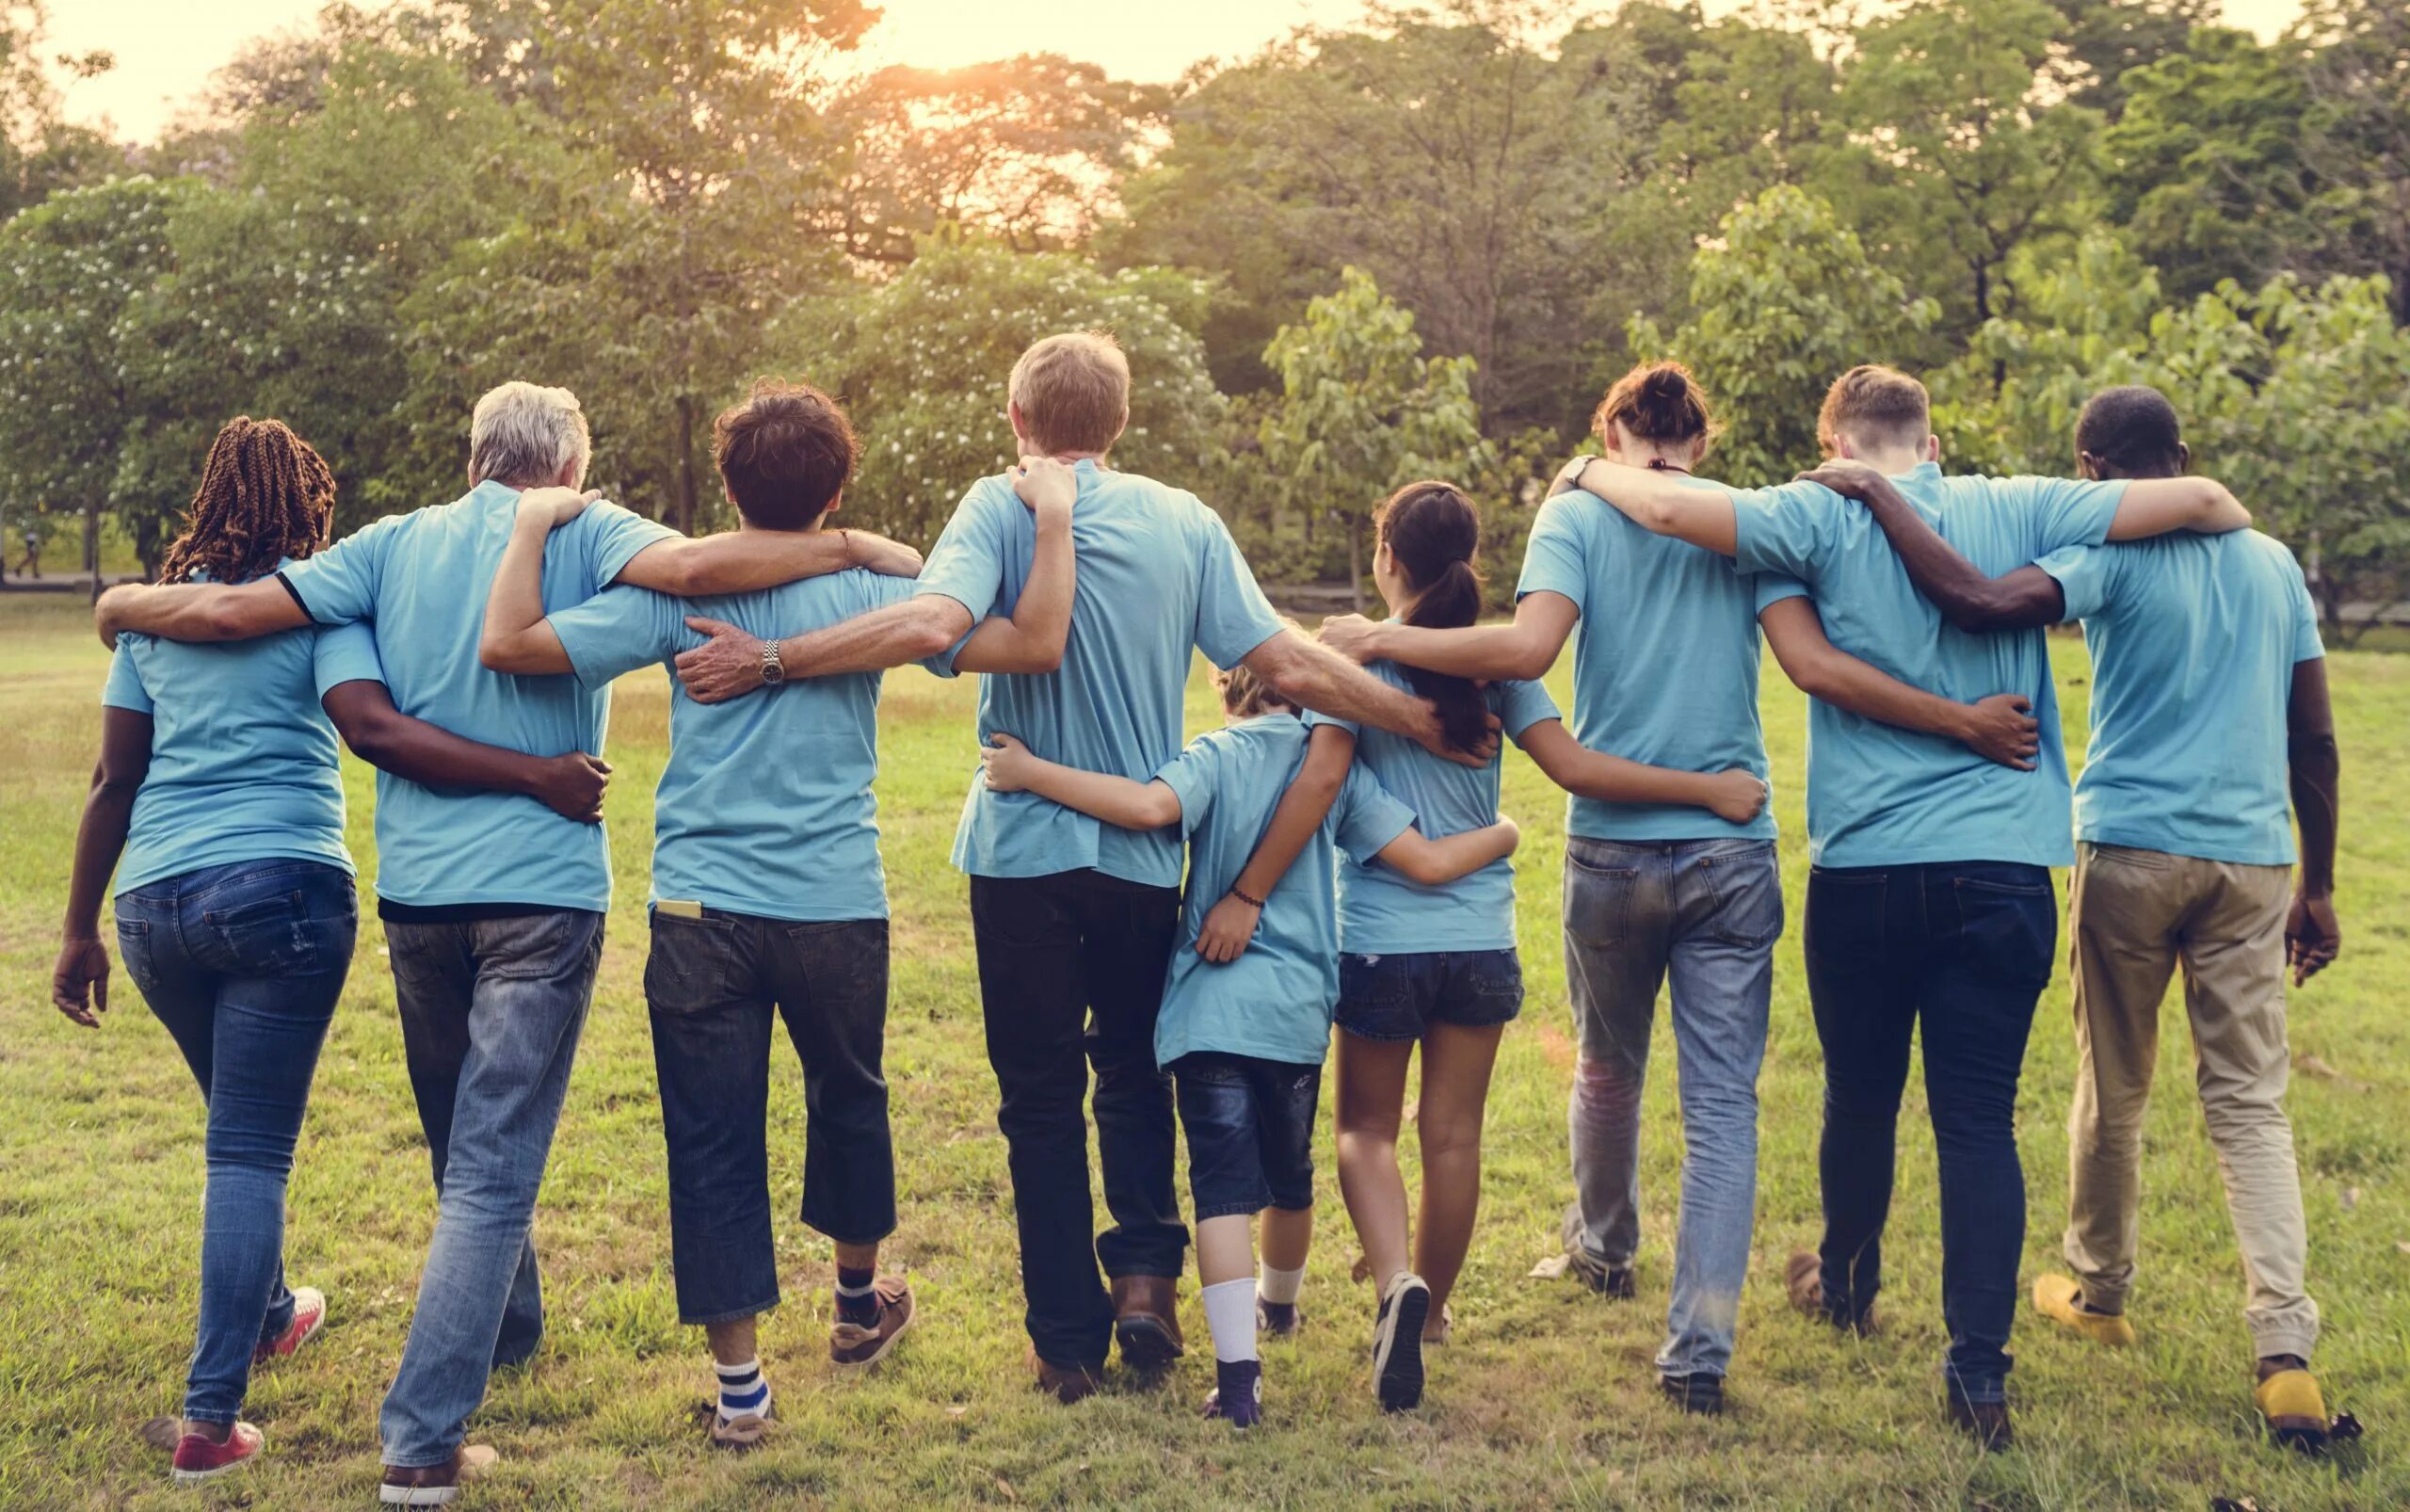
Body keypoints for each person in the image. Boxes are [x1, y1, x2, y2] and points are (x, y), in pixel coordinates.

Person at [93, 380, 924, 1504]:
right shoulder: (591, 528)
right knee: (490, 1171)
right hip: (541, 887)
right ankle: (422, 1441)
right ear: (569, 467)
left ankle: (510, 1325)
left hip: (420, 898)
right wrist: (853, 546)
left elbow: (235, 618)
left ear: (476, 455)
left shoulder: (388, 544)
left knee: (459, 1147)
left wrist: (122, 605)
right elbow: (698, 573)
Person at [669, 332, 1495, 1404]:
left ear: (1019, 419)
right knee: (1135, 1075)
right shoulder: (1184, 520)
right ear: (1119, 421)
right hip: (1142, 853)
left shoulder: (997, 505)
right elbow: (1281, 660)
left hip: (1018, 849)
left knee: (1040, 1098)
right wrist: (1415, 719)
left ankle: (1066, 1339)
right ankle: (1147, 1280)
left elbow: (929, 620)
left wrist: (772, 658)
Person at [1318, 365, 2042, 1415]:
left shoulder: (1574, 515)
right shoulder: (1737, 523)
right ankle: (1697, 1349)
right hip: (1729, 850)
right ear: (1700, 445)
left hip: (1610, 848)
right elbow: (1805, 660)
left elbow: (1525, 651)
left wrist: (1376, 638)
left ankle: (1605, 1247)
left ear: (1608, 431)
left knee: (1607, 1070)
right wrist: (1961, 717)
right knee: (1720, 1107)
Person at [1565, 363, 2253, 1447]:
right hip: (2003, 869)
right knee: (1976, 1118)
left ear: (1832, 443)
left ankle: (1844, 1282)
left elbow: (1660, 504)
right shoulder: (2020, 501)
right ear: (1928, 444)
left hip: (1868, 867)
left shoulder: (1814, 512)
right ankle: (1977, 1372)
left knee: (1859, 1095)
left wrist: (1580, 468)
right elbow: (2211, 501)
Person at [475, 379, 1081, 1449]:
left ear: (725, 484)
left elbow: (517, 643)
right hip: (833, 899)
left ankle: (742, 1389)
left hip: (700, 904)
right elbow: (1011, 634)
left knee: (711, 1135)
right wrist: (895, 551)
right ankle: (855, 1305)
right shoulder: (876, 591)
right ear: (837, 482)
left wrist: (529, 535)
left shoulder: (678, 595)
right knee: (850, 1097)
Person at [53, 417, 617, 1487]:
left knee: (238, 1132)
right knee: (249, 1152)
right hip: (282, 896)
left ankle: (274, 1308)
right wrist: (536, 772)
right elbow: (372, 726)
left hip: (155, 906)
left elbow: (111, 778)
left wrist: (79, 928)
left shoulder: (156, 622)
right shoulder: (329, 598)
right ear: (307, 503)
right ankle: (209, 1420)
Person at [1797, 385, 2345, 1453]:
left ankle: (2098, 1291)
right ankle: (2283, 1350)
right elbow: (2314, 739)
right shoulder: (2273, 564)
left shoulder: (2111, 559)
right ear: (2180, 456)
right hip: (2253, 863)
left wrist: (1870, 488)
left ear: (2090, 472)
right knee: (2249, 1106)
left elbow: (1983, 600)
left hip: (2130, 847)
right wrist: (2317, 885)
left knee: (2115, 1082)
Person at [1237, 476, 1768, 1413]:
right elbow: (1572, 766)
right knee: (1453, 1135)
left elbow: (1321, 777)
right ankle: (1429, 1312)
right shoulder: (1496, 671)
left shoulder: (1358, 661)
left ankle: (1395, 1279)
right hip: (1480, 943)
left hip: (1381, 944)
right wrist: (1708, 788)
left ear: (1386, 559)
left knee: (1364, 1129)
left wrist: (1247, 887)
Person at [978, 653, 1518, 1427]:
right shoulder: (1336, 771)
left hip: (1208, 1015)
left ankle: (1239, 1384)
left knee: (1223, 1194)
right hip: (1296, 1019)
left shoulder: (1214, 756)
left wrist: (1031, 771)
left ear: (1227, 688)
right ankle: (1282, 1305)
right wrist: (1503, 831)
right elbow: (1427, 861)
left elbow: (1142, 809)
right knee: (1288, 1181)